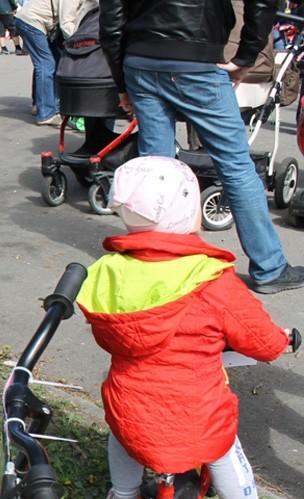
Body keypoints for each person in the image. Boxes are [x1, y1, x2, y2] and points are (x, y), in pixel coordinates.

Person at [78, 156, 289, 499]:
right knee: (225, 450)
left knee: (120, 434)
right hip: (197, 413)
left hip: (129, 405)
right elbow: (264, 344)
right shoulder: (210, 279)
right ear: (185, 208)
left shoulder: (106, 271)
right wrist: (280, 340)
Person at [100, 0, 304, 293]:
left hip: (141, 58)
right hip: (197, 59)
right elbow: (262, 3)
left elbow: (111, 15)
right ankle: (269, 267)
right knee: (235, 166)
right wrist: (247, 55)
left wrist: (121, 79)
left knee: (155, 168)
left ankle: (156, 263)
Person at [15, 0, 60, 125]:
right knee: (46, 64)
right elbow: (67, 21)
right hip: (32, 22)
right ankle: (46, 114)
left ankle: (43, 106)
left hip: (27, 19)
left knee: (44, 63)